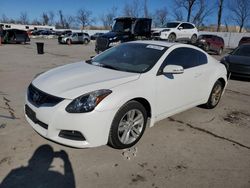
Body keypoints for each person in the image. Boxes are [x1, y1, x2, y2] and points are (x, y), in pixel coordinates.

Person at [0, 145, 75, 188]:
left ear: (31, 160)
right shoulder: (55, 177)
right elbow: (70, 184)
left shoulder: (15, 173)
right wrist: (66, 160)